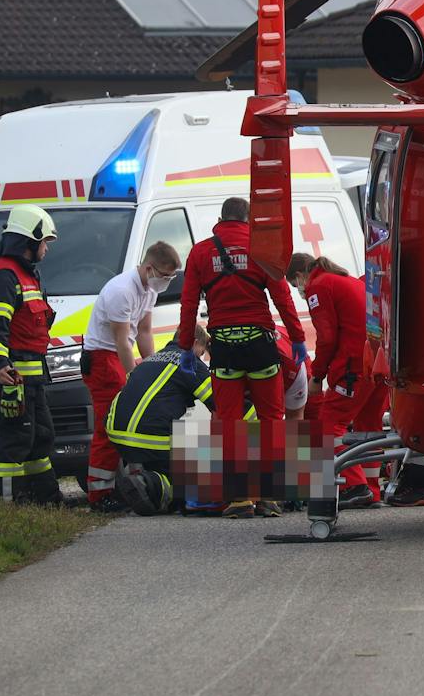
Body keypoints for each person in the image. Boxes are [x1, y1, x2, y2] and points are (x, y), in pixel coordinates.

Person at [176, 198, 308, 425]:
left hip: (224, 351)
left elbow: (189, 305)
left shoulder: (200, 252)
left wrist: (186, 346)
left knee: (229, 425)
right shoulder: (263, 249)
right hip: (260, 347)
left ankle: (235, 461)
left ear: (220, 220)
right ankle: (272, 461)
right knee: (272, 421)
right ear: (249, 221)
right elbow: (282, 299)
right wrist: (297, 338)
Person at [287, 252, 399, 509]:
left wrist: (318, 375)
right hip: (377, 362)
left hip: (352, 367)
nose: (300, 291)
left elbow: (326, 338)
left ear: (300, 276)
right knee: (367, 428)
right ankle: (371, 488)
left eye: (296, 285)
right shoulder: (344, 279)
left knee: (328, 426)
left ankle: (354, 486)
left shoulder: (319, 286)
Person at [80, 242, 181, 510]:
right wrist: (135, 377)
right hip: (103, 357)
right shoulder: (121, 290)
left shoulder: (149, 290)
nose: (166, 282)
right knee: (109, 426)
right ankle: (99, 496)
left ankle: (133, 486)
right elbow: (122, 340)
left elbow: (145, 332)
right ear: (149, 268)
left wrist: (153, 367)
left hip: (117, 356)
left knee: (132, 422)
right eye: (165, 276)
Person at [0, 205, 62, 505]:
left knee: (41, 437)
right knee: (15, 439)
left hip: (33, 378)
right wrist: (0, 365)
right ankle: (7, 506)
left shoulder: (28, 276)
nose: (46, 249)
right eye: (44, 242)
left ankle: (46, 500)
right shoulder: (5, 276)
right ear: (29, 241)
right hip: (12, 378)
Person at [106, 339, 215, 515]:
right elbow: (218, 401)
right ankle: (149, 485)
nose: (201, 358)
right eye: (202, 352)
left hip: (116, 433)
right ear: (195, 343)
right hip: (151, 437)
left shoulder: (150, 359)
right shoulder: (189, 360)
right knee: (198, 459)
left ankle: (145, 479)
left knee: (178, 438)